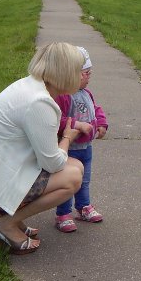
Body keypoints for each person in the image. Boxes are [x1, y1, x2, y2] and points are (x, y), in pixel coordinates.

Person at [0, 42, 86, 255]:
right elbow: (52, 164)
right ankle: (5, 224)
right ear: (65, 72)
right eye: (78, 70)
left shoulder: (28, 85)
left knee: (75, 166)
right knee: (73, 177)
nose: (82, 75)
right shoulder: (40, 103)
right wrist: (67, 138)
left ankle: (8, 218)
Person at [53, 46, 109, 232]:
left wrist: (101, 123)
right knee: (68, 182)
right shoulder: (63, 96)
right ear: (71, 75)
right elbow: (57, 119)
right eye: (86, 73)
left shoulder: (86, 93)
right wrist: (78, 125)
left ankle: (84, 206)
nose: (89, 76)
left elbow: (96, 108)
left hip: (86, 147)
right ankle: (63, 213)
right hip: (69, 148)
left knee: (85, 180)